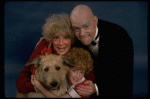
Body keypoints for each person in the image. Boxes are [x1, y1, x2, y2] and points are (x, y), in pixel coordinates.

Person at [70, 5, 134, 97]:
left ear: (95, 21)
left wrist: (96, 88)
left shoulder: (120, 37)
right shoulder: (74, 38)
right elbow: (59, 40)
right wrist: (45, 41)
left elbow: (125, 80)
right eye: (76, 28)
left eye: (86, 26)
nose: (82, 33)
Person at [16, 13, 75, 94]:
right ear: (51, 38)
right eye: (56, 38)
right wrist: (36, 87)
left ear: (72, 38)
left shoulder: (76, 50)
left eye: (66, 37)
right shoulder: (43, 45)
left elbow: (89, 75)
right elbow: (21, 80)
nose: (61, 43)